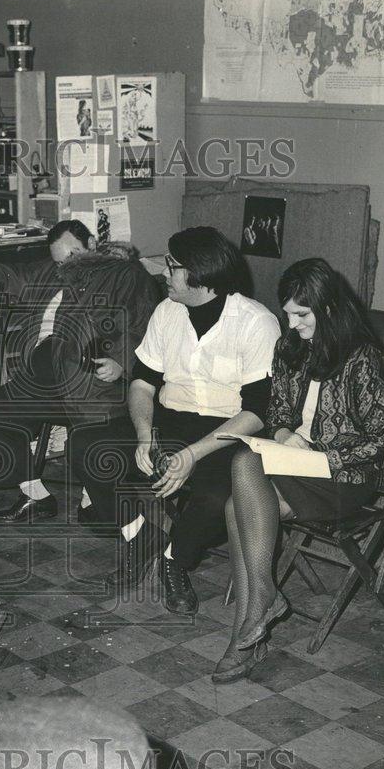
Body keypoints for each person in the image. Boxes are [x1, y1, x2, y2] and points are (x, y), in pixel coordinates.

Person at [72, 227, 280, 618]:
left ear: (199, 274)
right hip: (169, 420)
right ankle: (140, 536)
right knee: (86, 445)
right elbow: (142, 383)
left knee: (220, 497)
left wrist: (192, 455)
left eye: (172, 265)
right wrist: (141, 434)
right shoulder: (167, 312)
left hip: (228, 432)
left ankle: (174, 558)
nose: (164, 272)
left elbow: (257, 412)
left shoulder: (257, 323)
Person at [214, 257, 384, 683]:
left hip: (344, 479)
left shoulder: (362, 359)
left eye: (301, 313)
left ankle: (249, 626)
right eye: (287, 313)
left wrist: (324, 456)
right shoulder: (289, 348)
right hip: (296, 464)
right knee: (245, 465)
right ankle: (260, 607)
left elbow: (382, 439)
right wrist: (280, 432)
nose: (291, 323)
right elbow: (276, 409)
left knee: (234, 507)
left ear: (329, 308)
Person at [0, 220, 158, 523]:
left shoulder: (126, 275)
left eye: (72, 255)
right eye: (59, 260)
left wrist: (121, 362)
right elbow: (13, 273)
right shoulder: (54, 270)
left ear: (91, 243)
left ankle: (98, 502)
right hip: (45, 382)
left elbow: (145, 326)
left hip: (91, 385)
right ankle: (35, 496)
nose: (66, 264)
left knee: (93, 454)